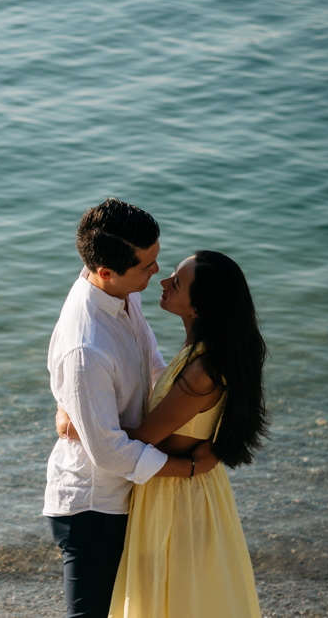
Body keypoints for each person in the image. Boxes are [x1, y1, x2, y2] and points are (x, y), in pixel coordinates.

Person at [44, 199, 218, 618]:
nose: (158, 272)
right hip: (95, 506)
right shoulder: (86, 347)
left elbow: (151, 364)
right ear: (106, 271)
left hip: (128, 495)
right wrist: (189, 469)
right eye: (147, 266)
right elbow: (109, 452)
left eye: (157, 258)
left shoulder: (120, 291)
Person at [99, 250, 267, 617]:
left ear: (199, 307)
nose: (162, 281)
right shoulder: (204, 354)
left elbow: (143, 437)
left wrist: (82, 424)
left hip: (176, 497)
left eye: (176, 283)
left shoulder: (202, 371)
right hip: (187, 488)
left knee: (169, 598)